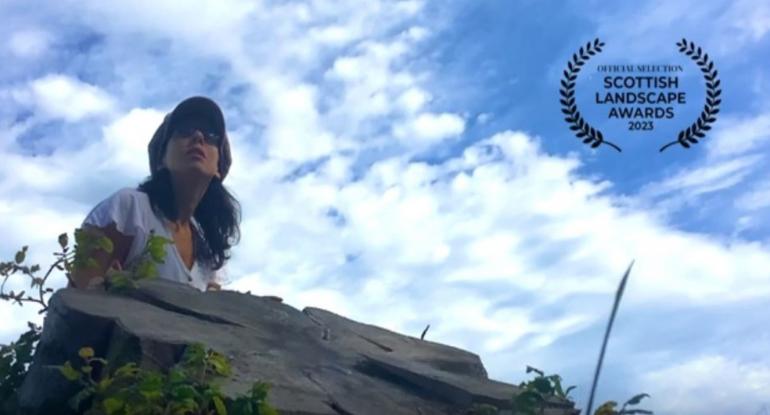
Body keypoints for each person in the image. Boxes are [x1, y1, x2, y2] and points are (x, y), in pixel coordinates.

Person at [70, 96, 240, 292]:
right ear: (161, 159)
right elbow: (77, 296)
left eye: (211, 136)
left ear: (219, 167)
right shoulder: (129, 209)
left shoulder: (207, 255)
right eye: (183, 131)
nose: (198, 137)